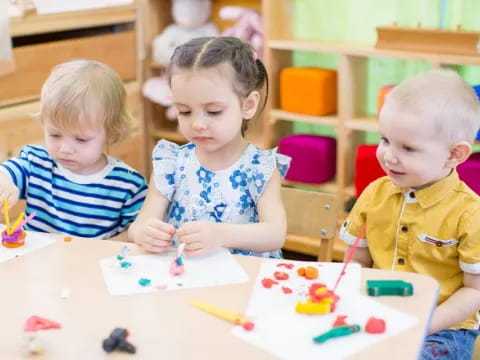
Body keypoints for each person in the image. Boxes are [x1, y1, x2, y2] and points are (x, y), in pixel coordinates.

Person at [339, 69, 480, 359]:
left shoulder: (470, 214)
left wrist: (422, 324)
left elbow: (474, 292)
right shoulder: (374, 193)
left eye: (407, 148)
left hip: (443, 328)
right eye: (385, 140)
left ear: (454, 155)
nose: (389, 155)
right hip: (379, 311)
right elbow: (358, 260)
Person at [129, 36, 290, 258]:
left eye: (214, 111)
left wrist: (221, 235)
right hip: (184, 278)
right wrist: (145, 233)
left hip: (244, 282)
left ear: (248, 105)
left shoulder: (259, 168)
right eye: (184, 111)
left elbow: (274, 234)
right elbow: (139, 226)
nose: (197, 124)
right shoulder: (171, 162)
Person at [0, 60, 147, 239]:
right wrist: (4, 183)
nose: (65, 149)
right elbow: (6, 173)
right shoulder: (36, 162)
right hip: (37, 263)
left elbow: (136, 231)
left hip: (89, 265)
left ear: (110, 133)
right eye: (55, 135)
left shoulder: (128, 184)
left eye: (81, 139)